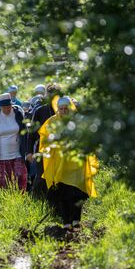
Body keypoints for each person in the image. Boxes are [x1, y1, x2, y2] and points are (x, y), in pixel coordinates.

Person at [39, 96, 98, 228]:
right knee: (63, 193)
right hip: (60, 164)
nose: (64, 111)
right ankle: (66, 221)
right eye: (61, 109)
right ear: (57, 109)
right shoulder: (52, 122)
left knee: (78, 191)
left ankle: (76, 219)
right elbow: (44, 139)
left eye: (66, 108)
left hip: (77, 163)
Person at [0, 93, 27, 191]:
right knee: (0, 186)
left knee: (19, 182)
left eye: (8, 107)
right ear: (0, 107)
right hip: (0, 156)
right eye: (3, 107)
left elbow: (24, 132)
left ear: (11, 105)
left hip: (17, 154)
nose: (6, 109)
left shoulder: (18, 114)